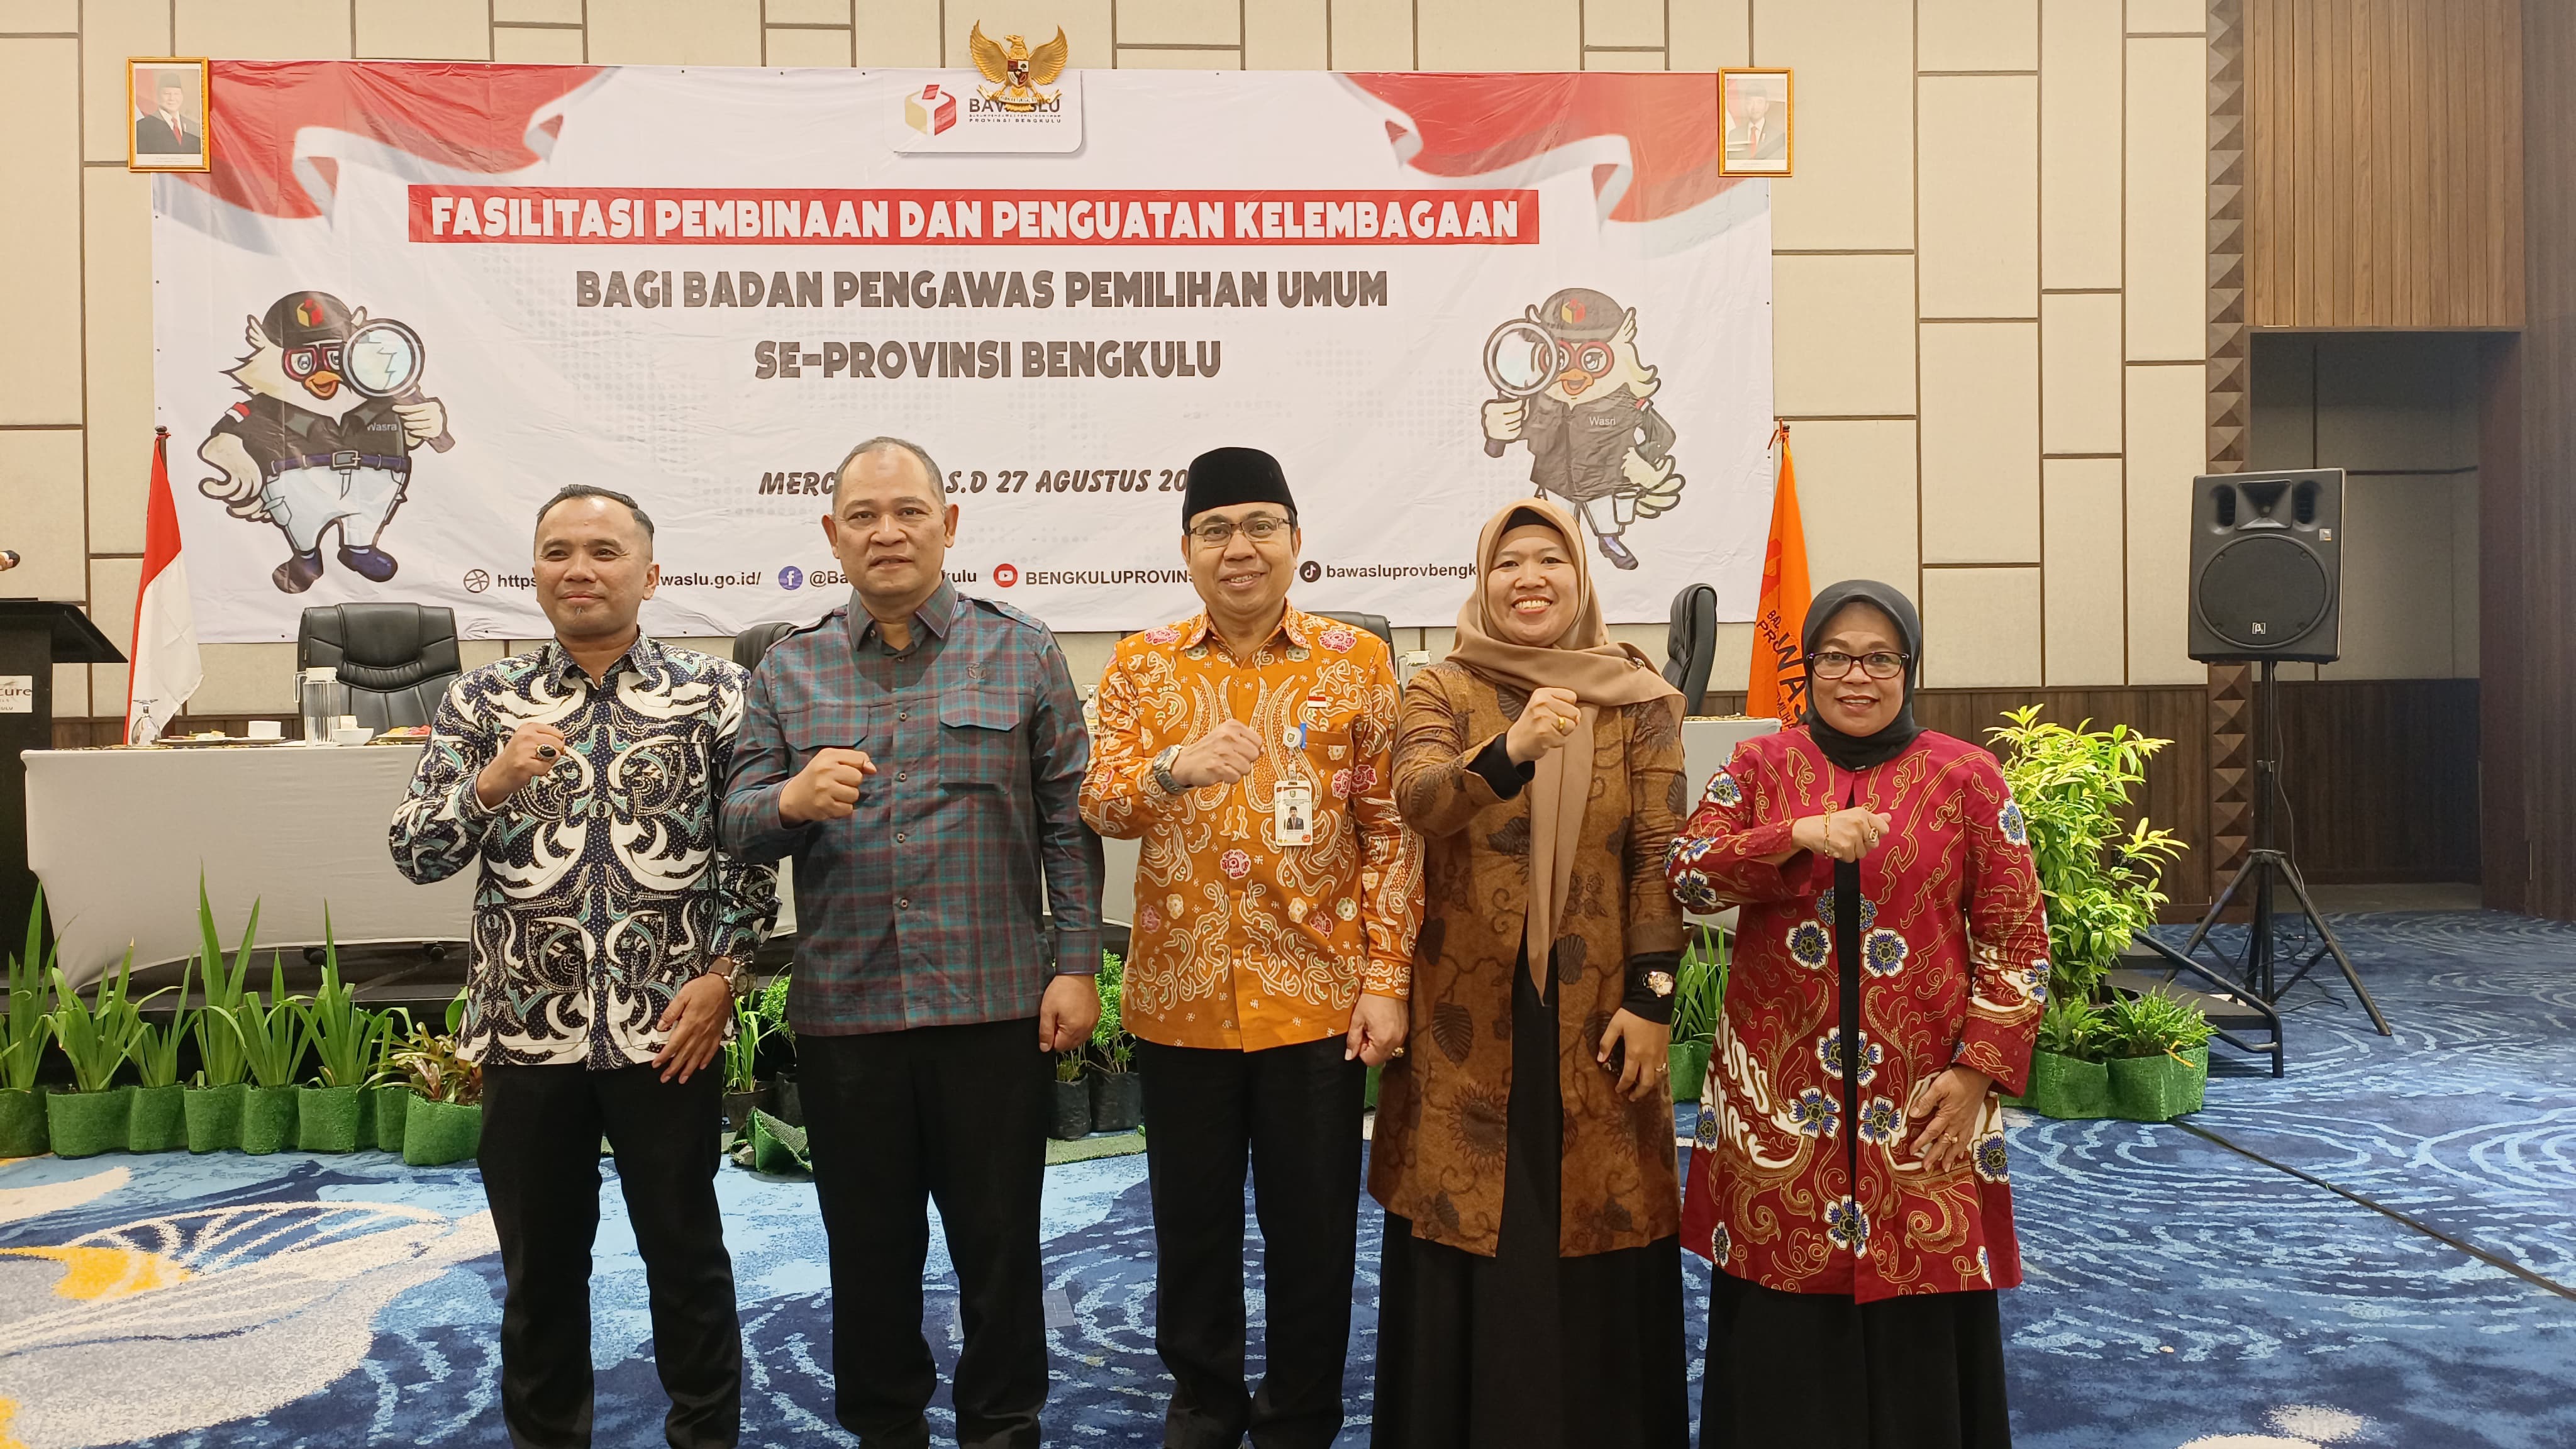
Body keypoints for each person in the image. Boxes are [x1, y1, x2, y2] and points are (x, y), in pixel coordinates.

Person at [719, 436, 1103, 1449]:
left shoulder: (1020, 650)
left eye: (908, 512)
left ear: (950, 523)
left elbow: (1069, 823)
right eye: (863, 516)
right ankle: (885, 1426)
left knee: (999, 1245)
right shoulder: (788, 669)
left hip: (993, 1007)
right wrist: (791, 801)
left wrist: (1075, 966)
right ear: (832, 536)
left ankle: (1003, 1424)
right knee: (869, 1248)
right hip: (851, 1012)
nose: (886, 532)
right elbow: (736, 822)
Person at [388, 484, 777, 1449]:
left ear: (650, 575)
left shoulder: (717, 695)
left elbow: (754, 857)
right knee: (540, 1270)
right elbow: (413, 852)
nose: (579, 569)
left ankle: (705, 1435)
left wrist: (726, 978)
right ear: (535, 574)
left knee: (686, 1257)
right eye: (558, 551)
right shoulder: (482, 700)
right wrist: (489, 783)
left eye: (604, 551)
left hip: (667, 1032)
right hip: (528, 1029)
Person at [1079, 445, 1421, 1449]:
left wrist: (1387, 979)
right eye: (1217, 530)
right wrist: (1173, 770)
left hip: (1316, 995)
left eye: (1260, 526)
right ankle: (1206, 1395)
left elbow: (1393, 830)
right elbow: (1097, 800)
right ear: (1187, 549)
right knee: (1192, 1221)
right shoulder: (1143, 664)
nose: (1240, 549)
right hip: (1180, 997)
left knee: (1313, 1226)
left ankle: (1302, 1407)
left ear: (1296, 542)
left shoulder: (1354, 663)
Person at [1667, 579, 2048, 1449]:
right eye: (1835, 656)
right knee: (1781, 1318)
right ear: (1809, 667)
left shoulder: (1967, 776)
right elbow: (1687, 875)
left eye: (1880, 657)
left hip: (1926, 1099)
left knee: (1921, 1308)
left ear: (1910, 666)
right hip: (1779, 1107)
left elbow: (2018, 937)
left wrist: (1977, 1071)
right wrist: (1791, 836)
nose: (1857, 675)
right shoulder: (1762, 768)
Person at [1367, 497, 1690, 1449]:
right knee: (1473, 1220)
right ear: (1483, 580)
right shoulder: (1442, 688)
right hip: (1467, 1016)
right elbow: (1420, 801)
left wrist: (1652, 998)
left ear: (1581, 576)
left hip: (1598, 1012)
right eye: (1509, 563)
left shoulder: (1641, 698)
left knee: (1594, 1218)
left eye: (1550, 559)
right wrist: (1508, 751)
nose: (1530, 578)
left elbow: (1658, 855)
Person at [135, 75, 198, 154]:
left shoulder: (193, 127)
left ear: (182, 96)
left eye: (176, 94)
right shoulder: (142, 127)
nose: (172, 98)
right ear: (158, 96)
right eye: (167, 93)